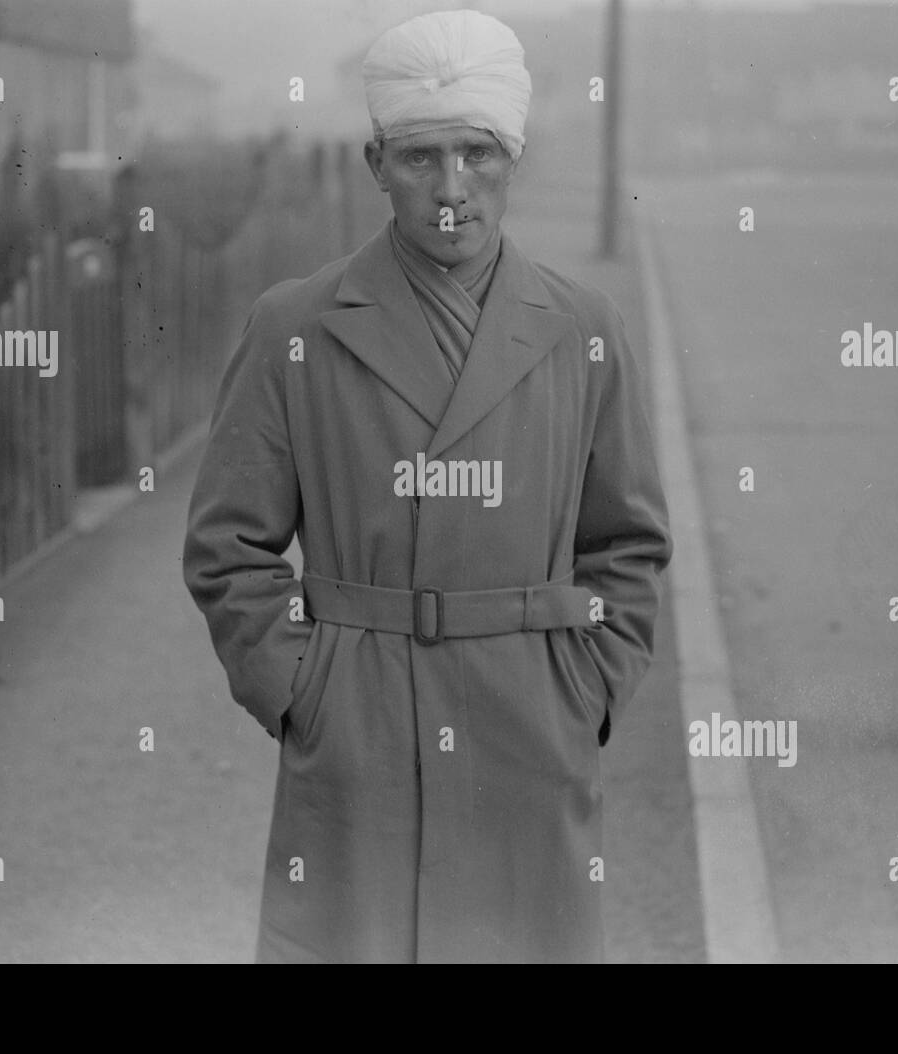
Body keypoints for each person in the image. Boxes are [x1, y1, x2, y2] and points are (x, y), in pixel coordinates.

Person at [183, 8, 672, 963]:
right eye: (420, 158)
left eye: (478, 154)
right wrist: (302, 691)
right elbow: (227, 545)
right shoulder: (299, 329)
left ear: (514, 157)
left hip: (529, 728)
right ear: (375, 165)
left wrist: (586, 690)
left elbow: (628, 546)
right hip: (358, 735)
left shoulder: (583, 330)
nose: (452, 189)